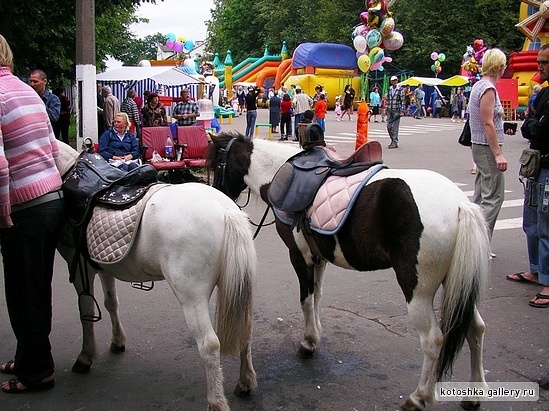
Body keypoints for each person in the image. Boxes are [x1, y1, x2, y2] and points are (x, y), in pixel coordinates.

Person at [0, 34, 63, 394]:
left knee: (23, 292)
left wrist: (3, 213)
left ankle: (37, 372)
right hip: (49, 198)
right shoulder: (28, 92)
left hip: (23, 206)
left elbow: (0, 165)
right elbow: (52, 147)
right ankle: (29, 356)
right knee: (37, 288)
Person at [505, 44, 549, 308]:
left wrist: (534, 124)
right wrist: (534, 124)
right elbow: (531, 126)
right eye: (539, 61)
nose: (540, 66)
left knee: (545, 226)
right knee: (531, 222)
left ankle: (547, 278)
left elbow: (540, 129)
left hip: (547, 168)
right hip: (536, 167)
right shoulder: (542, 94)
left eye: (545, 62)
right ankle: (535, 269)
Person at [469, 48, 508, 254]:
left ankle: (470, 241)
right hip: (486, 146)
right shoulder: (488, 89)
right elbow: (487, 122)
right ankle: (479, 243)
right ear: (499, 67)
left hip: (480, 145)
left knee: (480, 195)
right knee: (493, 197)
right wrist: (498, 153)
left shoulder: (479, 85)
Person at [386, 75, 405, 149]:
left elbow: (403, 101)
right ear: (391, 82)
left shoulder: (400, 89)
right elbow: (388, 99)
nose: (394, 82)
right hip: (390, 110)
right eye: (393, 80)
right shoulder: (389, 89)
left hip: (397, 110)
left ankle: (394, 142)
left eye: (396, 80)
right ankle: (393, 139)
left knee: (395, 127)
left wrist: (402, 111)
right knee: (388, 126)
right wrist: (386, 108)